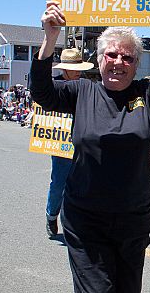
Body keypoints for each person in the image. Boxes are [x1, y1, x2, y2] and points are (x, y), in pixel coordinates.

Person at [30, 0, 150, 293]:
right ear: (99, 59)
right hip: (86, 217)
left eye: (127, 58)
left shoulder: (149, 92)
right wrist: (50, 39)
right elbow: (42, 92)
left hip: (132, 218)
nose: (118, 62)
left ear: (136, 64)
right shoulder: (81, 92)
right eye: (111, 55)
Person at [45, 48, 94, 238]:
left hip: (83, 140)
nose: (79, 71)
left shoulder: (86, 85)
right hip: (61, 140)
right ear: (64, 68)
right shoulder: (53, 85)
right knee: (59, 182)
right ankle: (51, 215)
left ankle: (74, 222)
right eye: (75, 68)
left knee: (82, 184)